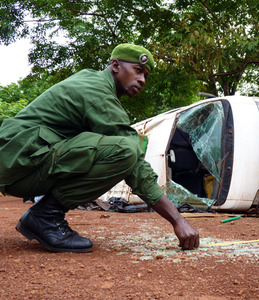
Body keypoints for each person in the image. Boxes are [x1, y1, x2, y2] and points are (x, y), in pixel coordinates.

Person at [0, 43, 200, 252]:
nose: (142, 80)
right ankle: (45, 216)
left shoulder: (92, 80)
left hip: (22, 160)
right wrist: (178, 220)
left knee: (118, 149)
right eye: (138, 71)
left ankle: (43, 215)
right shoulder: (97, 91)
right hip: (22, 161)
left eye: (145, 76)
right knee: (125, 151)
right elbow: (134, 161)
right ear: (115, 65)